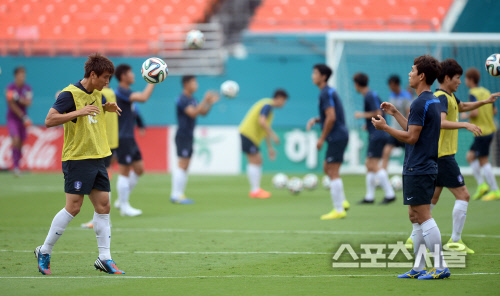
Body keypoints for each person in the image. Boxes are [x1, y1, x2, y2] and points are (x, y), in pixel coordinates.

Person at [35, 53, 124, 275]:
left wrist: (105, 108)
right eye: (105, 77)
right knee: (74, 207)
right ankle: (44, 250)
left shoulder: (97, 93)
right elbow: (49, 120)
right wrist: (79, 111)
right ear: (92, 74)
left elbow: (92, 112)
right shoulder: (70, 94)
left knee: (104, 206)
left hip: (98, 156)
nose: (107, 82)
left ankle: (104, 258)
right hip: (77, 158)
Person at [405, 59, 498, 253]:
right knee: (463, 195)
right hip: (443, 156)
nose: (460, 82)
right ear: (447, 78)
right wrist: (465, 124)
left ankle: (415, 235)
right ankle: (455, 240)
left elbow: (462, 107)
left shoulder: (449, 96)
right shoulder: (440, 97)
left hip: (436, 157)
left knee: (431, 200)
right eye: (457, 78)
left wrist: (485, 102)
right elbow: (441, 122)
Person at [372, 54, 450, 279]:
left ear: (422, 75)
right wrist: (396, 113)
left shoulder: (419, 102)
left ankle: (441, 265)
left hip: (419, 166)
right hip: (422, 165)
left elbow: (411, 138)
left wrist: (385, 128)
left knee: (424, 215)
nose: (409, 73)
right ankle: (418, 267)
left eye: (412, 70)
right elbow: (415, 130)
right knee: (414, 216)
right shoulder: (432, 100)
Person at [306, 64, 350, 219]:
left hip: (336, 135)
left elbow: (331, 117)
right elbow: (329, 115)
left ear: (323, 76)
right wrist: (317, 120)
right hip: (340, 134)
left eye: (315, 73)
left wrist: (322, 138)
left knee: (332, 171)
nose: (313, 76)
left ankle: (338, 209)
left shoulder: (325, 93)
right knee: (328, 168)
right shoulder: (329, 91)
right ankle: (342, 202)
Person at [114, 64, 155, 216]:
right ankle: (124, 206)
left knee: (139, 169)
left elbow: (135, 112)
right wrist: (153, 79)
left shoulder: (127, 91)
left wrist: (140, 124)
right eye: (131, 72)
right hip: (122, 136)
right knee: (124, 171)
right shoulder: (121, 91)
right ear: (123, 76)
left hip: (129, 136)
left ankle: (121, 200)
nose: (133, 75)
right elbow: (143, 98)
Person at [170, 75, 219, 204]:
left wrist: (209, 103)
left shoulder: (193, 99)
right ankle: (175, 194)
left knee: (186, 165)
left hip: (189, 135)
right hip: (182, 134)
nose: (196, 84)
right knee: (182, 164)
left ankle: (180, 194)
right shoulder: (182, 99)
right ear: (186, 84)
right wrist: (205, 99)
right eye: (193, 82)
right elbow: (192, 113)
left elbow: (202, 113)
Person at [81, 82, 119, 229]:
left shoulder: (100, 94)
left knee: (99, 179)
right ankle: (102, 217)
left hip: (101, 141)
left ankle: (102, 217)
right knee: (105, 176)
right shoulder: (111, 93)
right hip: (110, 140)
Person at [353, 73, 395, 204]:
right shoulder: (372, 94)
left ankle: (390, 193)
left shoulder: (369, 95)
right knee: (369, 165)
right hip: (377, 133)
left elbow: (379, 112)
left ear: (357, 84)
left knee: (372, 164)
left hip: (378, 134)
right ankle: (369, 197)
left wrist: (362, 115)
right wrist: (368, 123)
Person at [239, 89, 288, 199]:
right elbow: (262, 122)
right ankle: (255, 190)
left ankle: (256, 189)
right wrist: (274, 135)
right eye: (284, 101)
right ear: (279, 98)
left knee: (258, 160)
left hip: (251, 136)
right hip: (248, 134)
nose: (284, 104)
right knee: (254, 160)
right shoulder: (267, 105)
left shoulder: (268, 108)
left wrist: (270, 148)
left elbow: (264, 128)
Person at [463, 67, 499, 201]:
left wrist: (465, 116)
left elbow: (475, 112)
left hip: (481, 131)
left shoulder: (473, 92)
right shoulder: (486, 91)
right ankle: (482, 185)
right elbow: (494, 111)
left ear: (471, 80)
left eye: (466, 79)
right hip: (490, 129)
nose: (464, 81)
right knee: (470, 156)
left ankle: (495, 190)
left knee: (483, 161)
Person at [381, 75, 413, 170]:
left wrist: (407, 128)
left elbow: (409, 113)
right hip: (394, 130)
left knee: (410, 154)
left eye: (390, 85)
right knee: (386, 151)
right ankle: (382, 176)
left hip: (404, 130)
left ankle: (411, 172)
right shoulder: (391, 96)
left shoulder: (406, 97)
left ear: (395, 84)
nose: (389, 87)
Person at [5, 66, 33, 176]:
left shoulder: (27, 88)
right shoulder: (10, 88)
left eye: (23, 75)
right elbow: (11, 105)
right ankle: (15, 167)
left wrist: (18, 99)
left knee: (21, 143)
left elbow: (29, 103)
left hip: (23, 119)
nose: (22, 77)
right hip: (13, 118)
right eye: (20, 74)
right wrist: (22, 116)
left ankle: (17, 165)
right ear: (15, 75)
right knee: (15, 139)